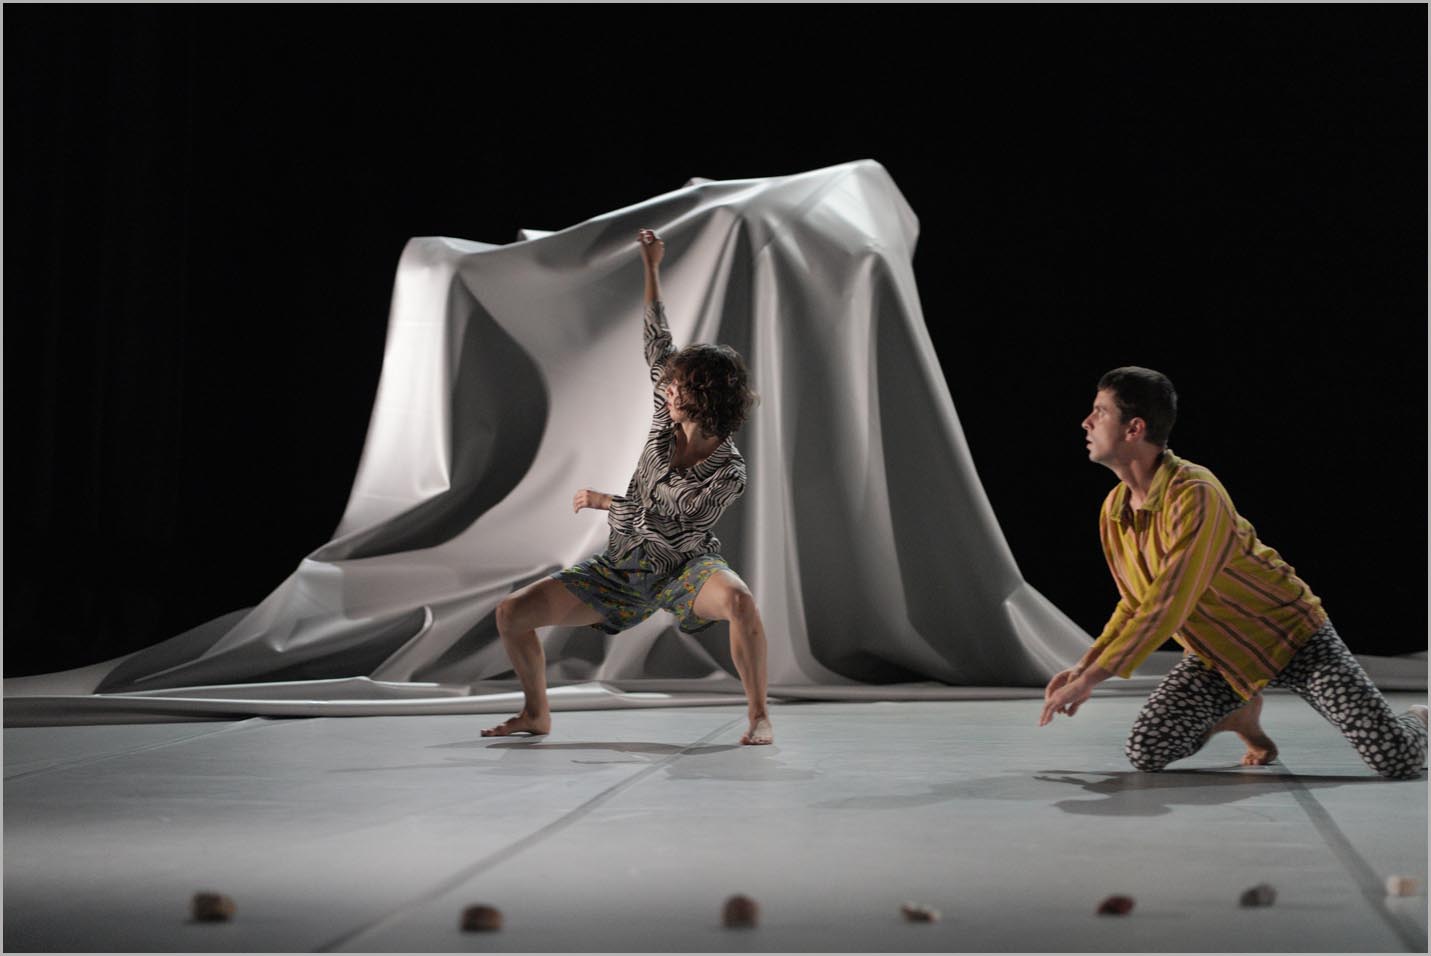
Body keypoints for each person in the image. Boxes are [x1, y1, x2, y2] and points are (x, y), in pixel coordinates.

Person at [1040, 366, 1427, 778]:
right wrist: (1084, 667)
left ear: (1134, 428)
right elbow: (1136, 604)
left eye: (1100, 411)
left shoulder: (1194, 493)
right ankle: (1240, 716)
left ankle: (1421, 719)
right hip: (1218, 656)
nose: (1087, 421)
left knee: (1394, 757)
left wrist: (1093, 678)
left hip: (1292, 637)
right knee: (1146, 750)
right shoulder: (1114, 511)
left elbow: (1167, 606)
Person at [482, 228, 774, 746]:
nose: (669, 389)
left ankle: (758, 717)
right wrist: (652, 267)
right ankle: (535, 713)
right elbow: (657, 341)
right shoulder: (666, 416)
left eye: (680, 385)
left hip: (684, 569)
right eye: (671, 383)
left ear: (705, 397)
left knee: (740, 602)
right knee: (512, 613)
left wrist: (607, 503)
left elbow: (674, 522)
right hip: (621, 568)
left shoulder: (729, 471)